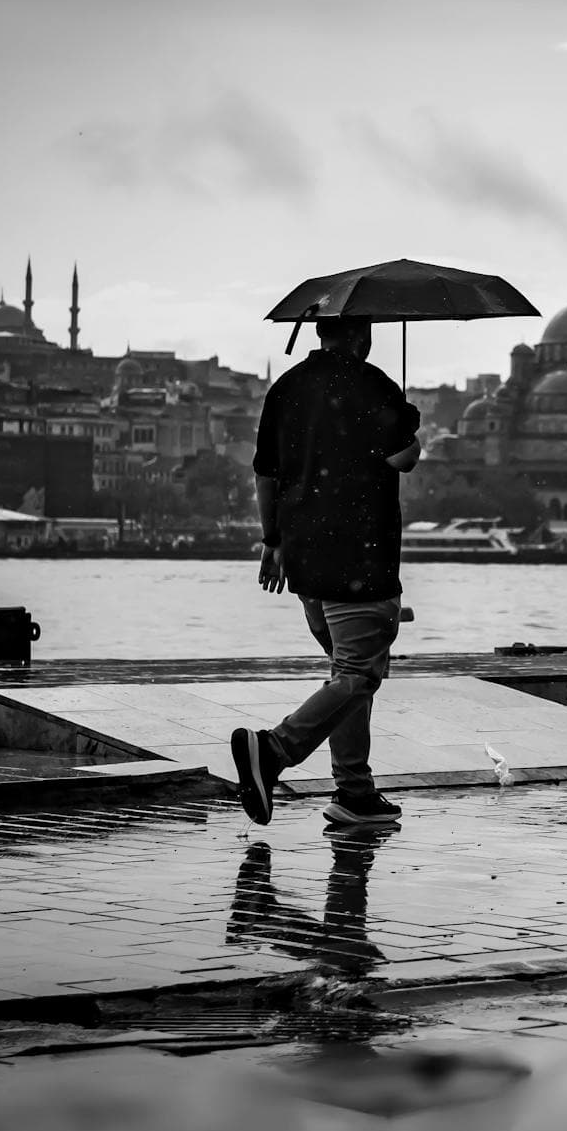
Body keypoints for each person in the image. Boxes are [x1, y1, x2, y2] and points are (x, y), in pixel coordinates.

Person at [232, 313, 421, 828]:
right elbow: (405, 459)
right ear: (361, 336)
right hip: (361, 555)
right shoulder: (374, 385)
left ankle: (355, 794)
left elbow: (265, 474)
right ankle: (272, 751)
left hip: (304, 560)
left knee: (346, 674)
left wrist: (272, 540)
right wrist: (409, 419)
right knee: (360, 674)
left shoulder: (286, 388)